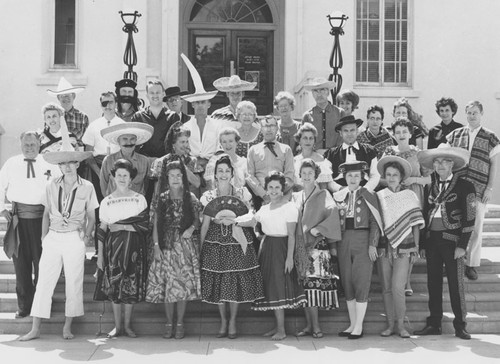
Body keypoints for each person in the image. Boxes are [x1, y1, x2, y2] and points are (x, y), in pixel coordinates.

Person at [19, 120, 96, 341]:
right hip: (53, 237)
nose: (68, 166)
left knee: (74, 281)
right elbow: (45, 213)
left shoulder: (87, 187)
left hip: (74, 238)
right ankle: (35, 328)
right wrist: (44, 237)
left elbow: (92, 216)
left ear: (77, 164)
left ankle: (67, 326)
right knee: (44, 280)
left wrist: (86, 235)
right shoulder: (51, 184)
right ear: (59, 166)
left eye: (72, 162)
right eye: (64, 163)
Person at [199, 155, 264, 339]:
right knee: (220, 282)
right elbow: (204, 225)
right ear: (215, 174)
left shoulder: (242, 194)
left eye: (227, 170)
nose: (224, 174)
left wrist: (237, 219)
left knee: (234, 281)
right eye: (220, 170)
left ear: (232, 173)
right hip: (215, 242)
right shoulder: (208, 197)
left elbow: (251, 217)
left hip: (237, 240)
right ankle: (223, 321)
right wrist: (201, 248)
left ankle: (233, 321)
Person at [414, 146, 475, 340]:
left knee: (456, 284)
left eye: (444, 161)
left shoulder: (465, 186)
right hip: (433, 241)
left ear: (452, 164)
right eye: (437, 162)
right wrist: (423, 243)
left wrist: (462, 246)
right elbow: (425, 213)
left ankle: (460, 325)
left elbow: (470, 218)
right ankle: (434, 323)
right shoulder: (429, 185)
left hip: (453, 242)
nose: (440, 165)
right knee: (433, 283)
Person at [0, 132, 61, 319]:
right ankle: (24, 306)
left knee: (43, 263)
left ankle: (43, 305)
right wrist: (2, 208)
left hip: (43, 220)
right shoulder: (12, 163)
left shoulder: (49, 162)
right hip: (19, 220)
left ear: (39, 143)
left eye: (32, 144)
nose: (29, 148)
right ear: (20, 145)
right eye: (26, 144)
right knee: (21, 264)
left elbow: (59, 186)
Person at [145, 159, 202, 340]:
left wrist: (191, 229)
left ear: (183, 178)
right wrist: (155, 246)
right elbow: (155, 225)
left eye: (179, 175)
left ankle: (180, 323)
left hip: (184, 247)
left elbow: (197, 219)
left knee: (182, 286)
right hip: (165, 245)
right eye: (172, 175)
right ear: (167, 178)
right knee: (168, 286)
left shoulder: (190, 197)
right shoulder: (161, 198)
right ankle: (169, 322)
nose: (175, 178)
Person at [446, 101, 500, 281]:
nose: (471, 116)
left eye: (475, 113)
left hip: (479, 188)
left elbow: (494, 165)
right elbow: (445, 154)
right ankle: (454, 262)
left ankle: (471, 265)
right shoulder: (456, 135)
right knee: (455, 225)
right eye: (468, 113)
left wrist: (490, 188)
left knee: (476, 227)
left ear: (481, 113)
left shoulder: (490, 137)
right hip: (458, 187)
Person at [95, 159, 149, 338]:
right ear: (112, 177)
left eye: (125, 175)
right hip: (113, 248)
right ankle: (117, 327)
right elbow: (103, 230)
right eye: (119, 175)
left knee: (130, 285)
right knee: (114, 286)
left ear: (131, 178)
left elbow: (144, 226)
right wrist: (100, 257)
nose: (122, 178)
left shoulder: (139, 199)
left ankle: (128, 326)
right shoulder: (106, 202)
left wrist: (123, 227)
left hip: (133, 248)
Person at [251, 171, 306, 340]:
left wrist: (289, 258)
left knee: (279, 287)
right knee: (271, 287)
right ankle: (277, 327)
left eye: (277, 187)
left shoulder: (290, 207)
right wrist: (233, 220)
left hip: (281, 249)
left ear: (282, 189)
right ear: (266, 189)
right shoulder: (265, 208)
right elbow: (252, 220)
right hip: (267, 248)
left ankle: (282, 330)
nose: (273, 190)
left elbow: (291, 235)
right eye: (270, 187)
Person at [333, 161, 383, 339]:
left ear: (362, 177)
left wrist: (372, 244)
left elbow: (375, 222)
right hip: (343, 240)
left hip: (363, 239)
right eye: (349, 175)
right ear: (344, 178)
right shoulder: (339, 195)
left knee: (361, 281)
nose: (353, 179)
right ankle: (352, 324)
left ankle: (359, 326)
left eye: (356, 175)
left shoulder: (369, 194)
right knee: (347, 281)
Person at [376, 155, 424, 338]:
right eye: (388, 174)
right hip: (383, 248)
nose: (391, 177)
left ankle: (402, 325)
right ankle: (390, 325)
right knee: (386, 288)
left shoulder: (409, 195)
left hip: (404, 247)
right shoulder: (379, 196)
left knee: (398, 287)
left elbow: (415, 223)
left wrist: (416, 248)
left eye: (395, 174)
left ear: (401, 176)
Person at [293, 159, 341, 339]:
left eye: (310, 173)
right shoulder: (296, 196)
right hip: (300, 247)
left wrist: (319, 229)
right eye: (303, 173)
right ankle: (308, 325)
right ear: (299, 175)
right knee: (305, 288)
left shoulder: (323, 194)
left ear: (315, 175)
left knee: (313, 287)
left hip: (317, 247)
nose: (306, 176)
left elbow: (333, 213)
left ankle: (316, 326)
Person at [383, 117, 430, 296]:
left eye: (405, 131)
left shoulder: (418, 153)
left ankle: (407, 280)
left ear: (410, 133)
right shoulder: (389, 152)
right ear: (393, 134)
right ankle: (396, 279)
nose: (401, 135)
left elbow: (430, 178)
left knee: (413, 238)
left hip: (415, 194)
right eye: (398, 132)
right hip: (395, 195)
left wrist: (414, 180)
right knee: (398, 236)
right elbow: (382, 175)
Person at [180, 53, 223, 185]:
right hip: (191, 170)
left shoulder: (217, 125)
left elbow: (219, 148)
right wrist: (193, 164)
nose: (200, 106)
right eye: (197, 102)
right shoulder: (185, 126)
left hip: (212, 170)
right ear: (192, 104)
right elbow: (183, 148)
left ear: (208, 104)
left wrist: (210, 164)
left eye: (203, 102)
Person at [247, 116, 294, 209]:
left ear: (277, 128)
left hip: (281, 197)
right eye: (265, 126)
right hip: (259, 197)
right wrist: (264, 195)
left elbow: (289, 176)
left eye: (272, 126)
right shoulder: (253, 150)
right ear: (261, 129)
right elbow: (250, 176)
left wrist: (276, 194)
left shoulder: (286, 149)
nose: (269, 129)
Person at [324, 115, 380, 193]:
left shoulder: (369, 151)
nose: (349, 134)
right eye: (346, 131)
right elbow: (328, 179)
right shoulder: (331, 154)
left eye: (352, 130)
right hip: (339, 195)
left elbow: (375, 176)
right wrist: (340, 189)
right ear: (340, 133)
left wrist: (365, 190)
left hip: (364, 193)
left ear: (357, 131)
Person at [99, 122, 154, 197]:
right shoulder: (108, 160)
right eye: (125, 139)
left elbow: (146, 183)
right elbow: (103, 184)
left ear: (136, 141)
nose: (129, 142)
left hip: (136, 203)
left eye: (132, 139)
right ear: (118, 141)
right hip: (114, 204)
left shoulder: (144, 161)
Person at [151, 122, 202, 198]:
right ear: (173, 144)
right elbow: (157, 191)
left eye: (187, 141)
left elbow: (197, 184)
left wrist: (182, 165)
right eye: (182, 142)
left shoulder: (192, 161)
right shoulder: (160, 162)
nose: (185, 145)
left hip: (187, 202)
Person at [302, 77, 346, 153]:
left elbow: (343, 137)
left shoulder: (340, 113)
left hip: (336, 156)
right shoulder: (307, 116)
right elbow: (304, 139)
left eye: (322, 90)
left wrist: (332, 152)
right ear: (312, 93)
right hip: (314, 157)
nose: (319, 94)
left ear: (328, 92)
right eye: (315, 91)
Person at [132, 80, 173, 158]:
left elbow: (176, 143)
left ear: (163, 94)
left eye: (158, 92)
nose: (155, 95)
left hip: (166, 162)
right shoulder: (138, 117)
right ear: (147, 95)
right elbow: (134, 143)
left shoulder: (173, 117)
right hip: (143, 162)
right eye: (152, 93)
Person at [47, 76, 89, 148]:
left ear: (74, 96)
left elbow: (86, 141)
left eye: (68, 95)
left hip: (76, 156)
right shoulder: (51, 116)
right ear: (58, 98)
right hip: (57, 155)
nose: (66, 98)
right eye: (63, 96)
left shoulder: (83, 117)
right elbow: (46, 138)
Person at [292, 123, 334, 191]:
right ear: (299, 141)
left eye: (311, 138)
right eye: (305, 138)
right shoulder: (294, 161)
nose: (308, 141)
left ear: (314, 141)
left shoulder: (321, 160)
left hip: (316, 198)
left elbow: (323, 189)